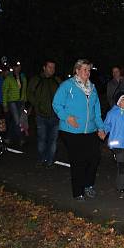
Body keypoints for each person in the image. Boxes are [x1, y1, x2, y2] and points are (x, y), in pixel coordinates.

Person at [52, 59, 107, 200]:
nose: (87, 73)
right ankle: (78, 192)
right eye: (84, 70)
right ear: (77, 70)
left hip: (90, 130)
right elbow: (56, 104)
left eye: (89, 70)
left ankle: (89, 185)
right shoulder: (67, 86)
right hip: (71, 130)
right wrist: (66, 117)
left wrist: (100, 127)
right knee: (78, 161)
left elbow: (96, 111)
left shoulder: (92, 88)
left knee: (94, 158)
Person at [28, 60, 63, 167]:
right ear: (44, 67)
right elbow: (29, 93)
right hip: (41, 116)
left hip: (55, 116)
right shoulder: (36, 80)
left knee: (53, 140)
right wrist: (37, 105)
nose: (52, 70)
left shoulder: (57, 81)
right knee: (42, 139)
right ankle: (42, 158)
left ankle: (50, 160)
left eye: (53, 67)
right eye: (49, 67)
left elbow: (64, 95)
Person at [3, 61, 27, 149]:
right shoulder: (9, 78)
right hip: (12, 101)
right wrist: (5, 104)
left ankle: (8, 138)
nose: (18, 69)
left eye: (19, 67)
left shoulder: (23, 77)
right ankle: (21, 138)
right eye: (16, 67)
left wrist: (25, 101)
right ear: (13, 68)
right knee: (17, 120)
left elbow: (24, 90)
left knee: (15, 120)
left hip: (20, 101)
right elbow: (4, 92)